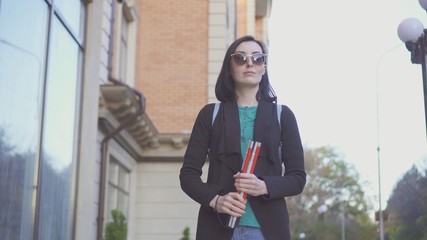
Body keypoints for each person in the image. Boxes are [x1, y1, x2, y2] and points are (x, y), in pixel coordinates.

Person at [179, 35, 306, 240]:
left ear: (264, 67)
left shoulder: (283, 115)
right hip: (217, 229)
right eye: (240, 58)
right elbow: (188, 175)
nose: (250, 63)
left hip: (267, 231)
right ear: (230, 67)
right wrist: (215, 200)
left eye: (257, 58)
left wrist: (264, 186)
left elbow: (297, 178)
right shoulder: (210, 114)